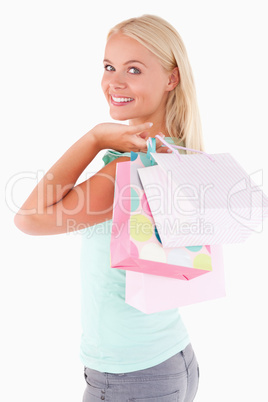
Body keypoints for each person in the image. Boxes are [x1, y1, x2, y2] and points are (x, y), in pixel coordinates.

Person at [14, 14, 203, 402]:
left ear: (172, 78)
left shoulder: (128, 168)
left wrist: (96, 136)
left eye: (133, 69)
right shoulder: (178, 150)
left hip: (130, 375)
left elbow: (29, 219)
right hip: (172, 356)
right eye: (108, 66)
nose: (114, 81)